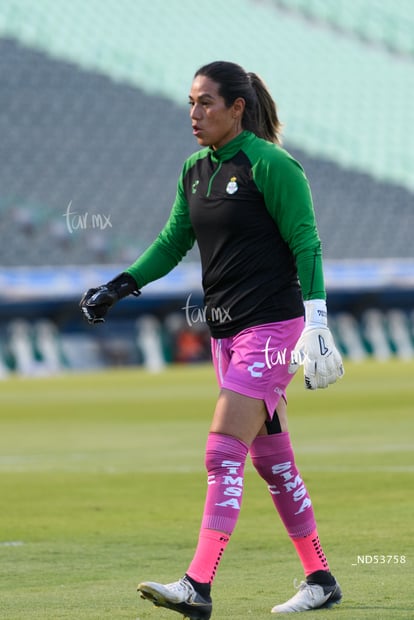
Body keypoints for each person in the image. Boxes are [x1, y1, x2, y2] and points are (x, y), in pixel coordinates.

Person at [80, 60, 344, 618]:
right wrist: (119, 285)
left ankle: (197, 586)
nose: (194, 114)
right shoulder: (194, 169)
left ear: (237, 108)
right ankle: (321, 578)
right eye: (191, 102)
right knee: (274, 465)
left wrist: (317, 322)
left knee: (223, 451)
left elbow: (307, 244)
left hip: (272, 331)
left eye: (205, 103)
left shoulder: (273, 165)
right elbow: (172, 241)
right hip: (227, 334)